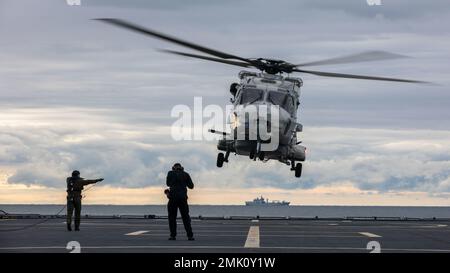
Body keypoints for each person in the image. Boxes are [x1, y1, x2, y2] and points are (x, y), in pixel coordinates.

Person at [166, 163, 194, 241]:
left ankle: (173, 235)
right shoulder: (186, 174)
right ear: (181, 168)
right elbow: (191, 186)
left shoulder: (170, 173)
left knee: (172, 218)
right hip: (183, 198)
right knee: (185, 218)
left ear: (173, 168)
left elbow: (168, 183)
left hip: (173, 198)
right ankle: (190, 235)